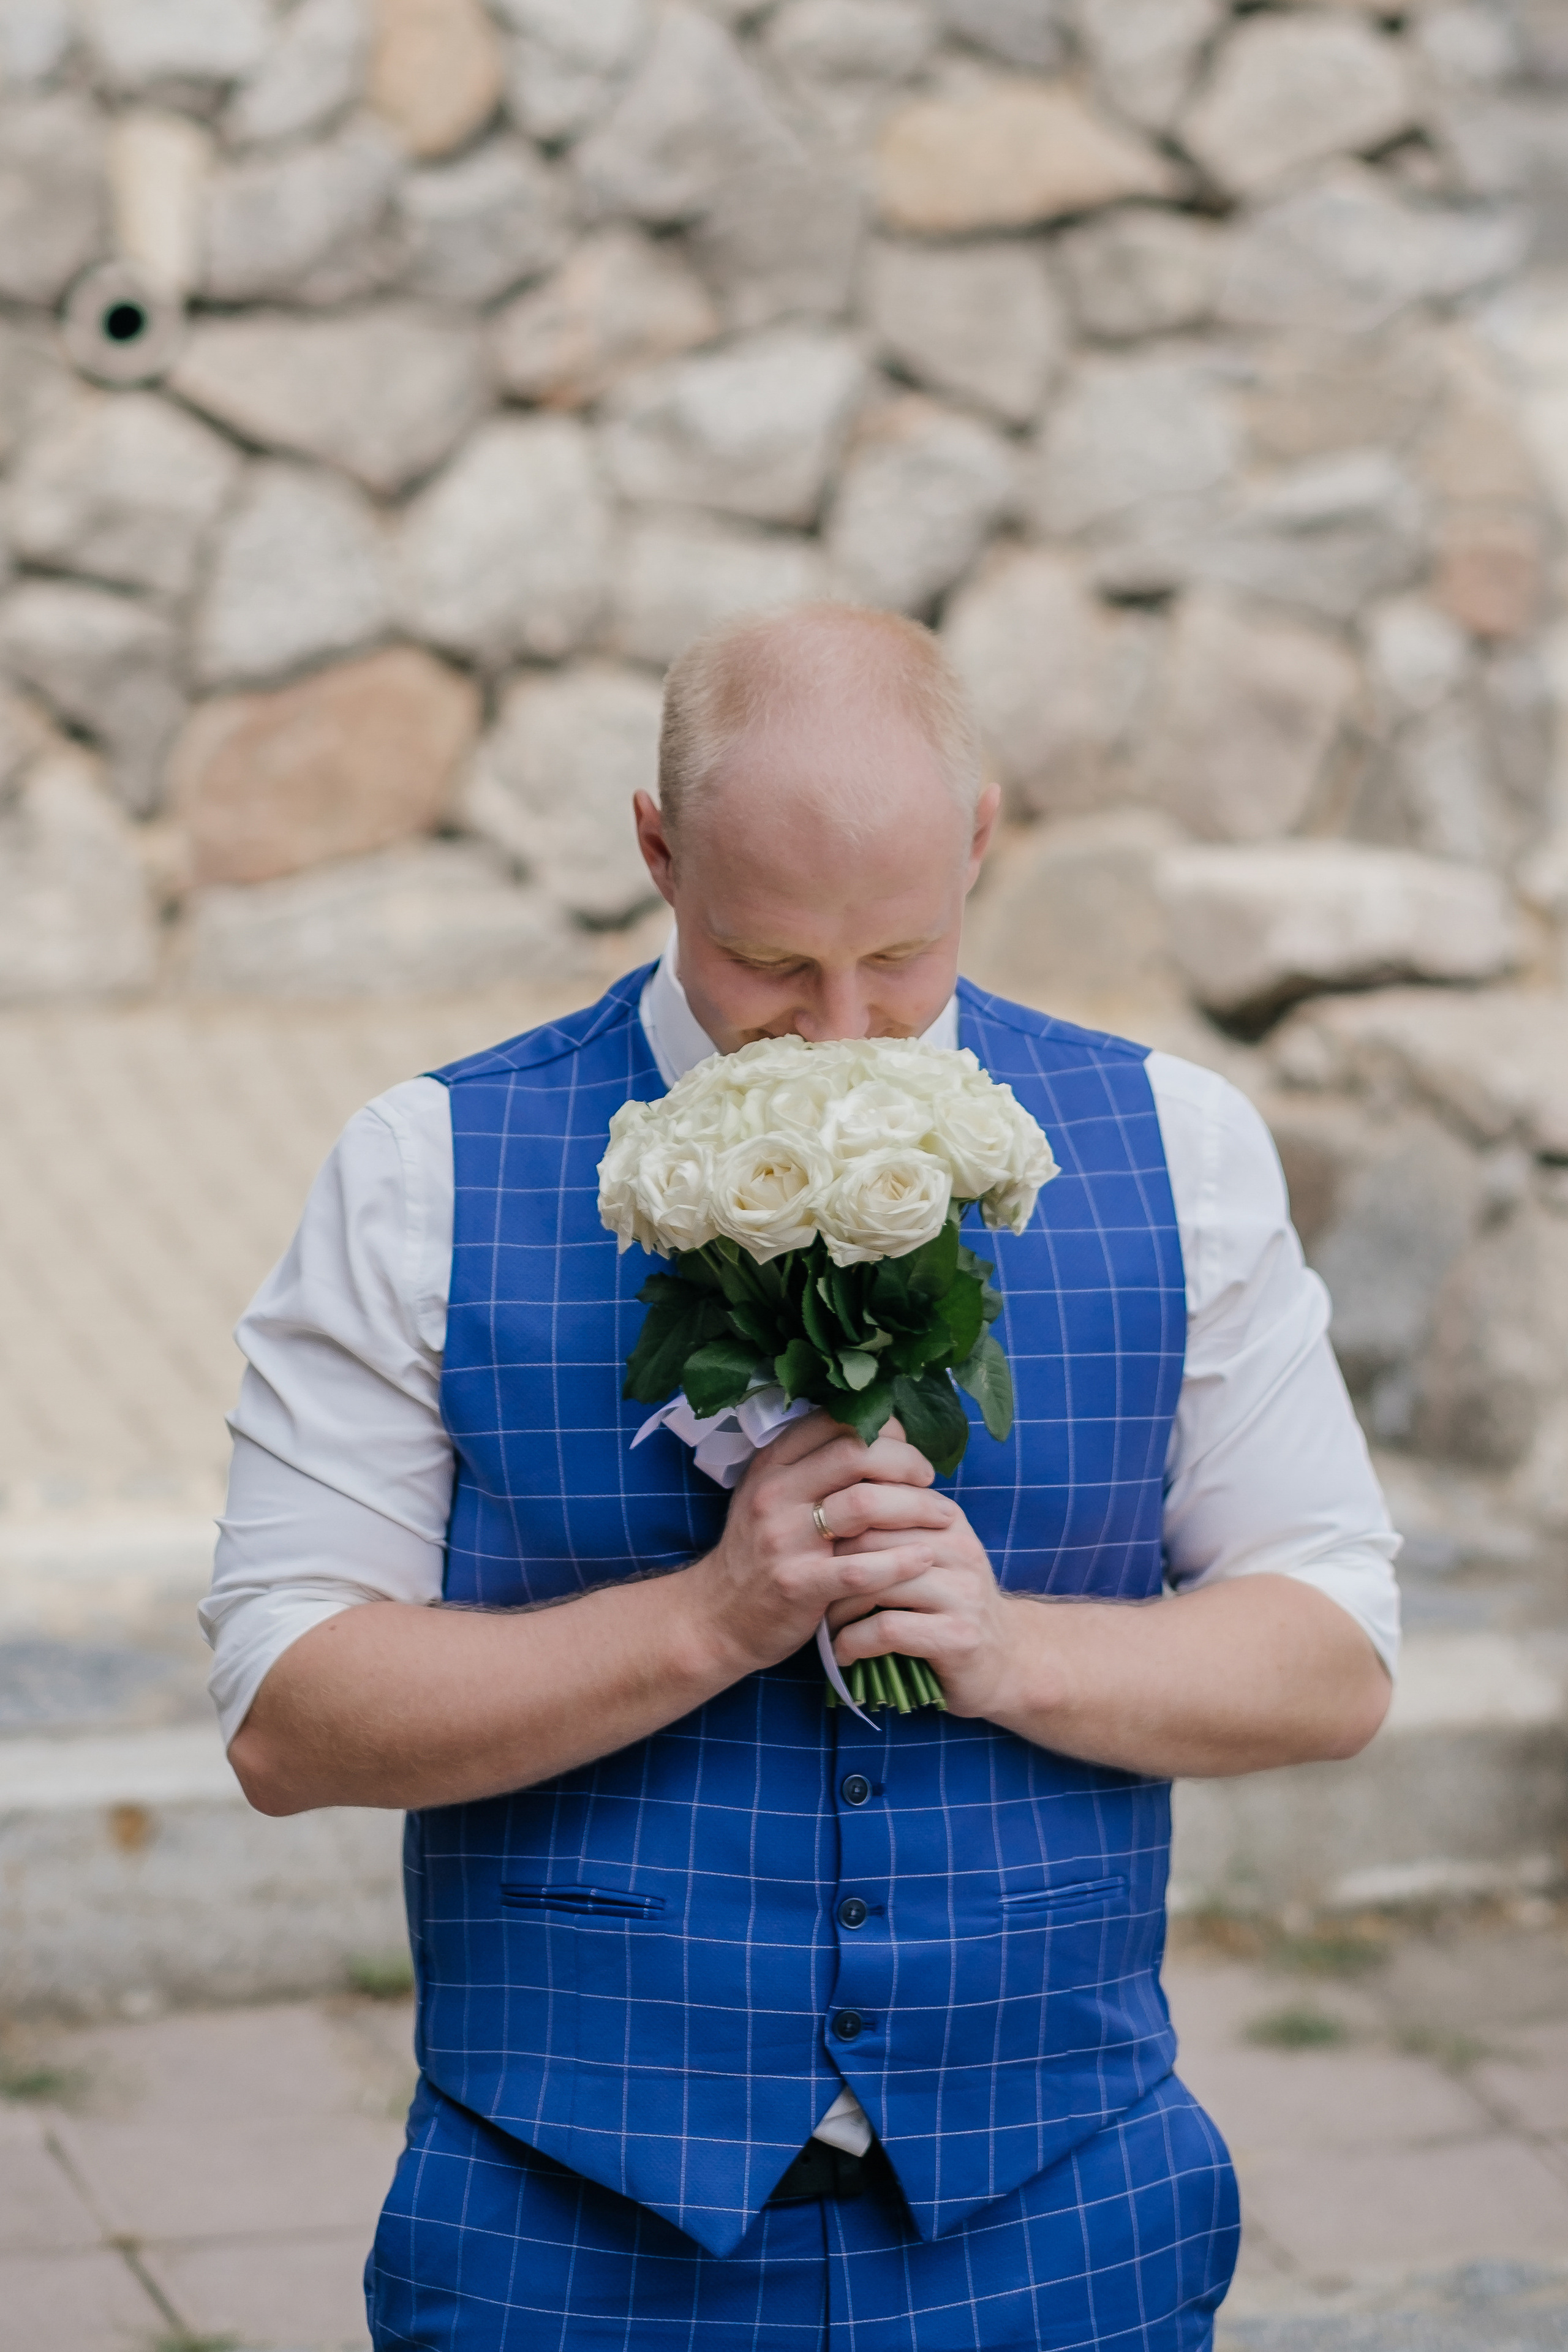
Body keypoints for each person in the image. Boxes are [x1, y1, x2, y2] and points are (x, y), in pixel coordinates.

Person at [203, 604, 1399, 2351]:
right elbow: (286, 1718)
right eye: (769, 964)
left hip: (1063, 2226)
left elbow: (1338, 1658)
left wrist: (1010, 1648)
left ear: (981, 838)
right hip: (564, 2242)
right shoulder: (423, 1172)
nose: (841, 1030)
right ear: (656, 851)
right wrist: (707, 1620)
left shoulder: (1182, 1146)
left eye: (903, 958)